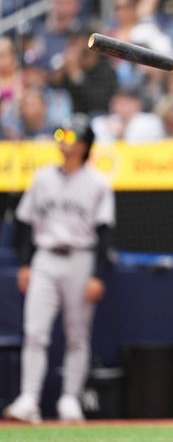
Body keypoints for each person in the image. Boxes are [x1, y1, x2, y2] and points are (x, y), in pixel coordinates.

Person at [3, 114, 114, 424]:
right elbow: (24, 224)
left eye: (71, 137)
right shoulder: (42, 177)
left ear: (84, 144)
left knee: (77, 335)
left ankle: (70, 400)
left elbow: (105, 232)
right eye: (63, 135)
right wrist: (25, 263)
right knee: (35, 332)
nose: (64, 141)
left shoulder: (98, 182)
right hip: (45, 257)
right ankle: (28, 400)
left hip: (80, 258)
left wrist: (98, 274)